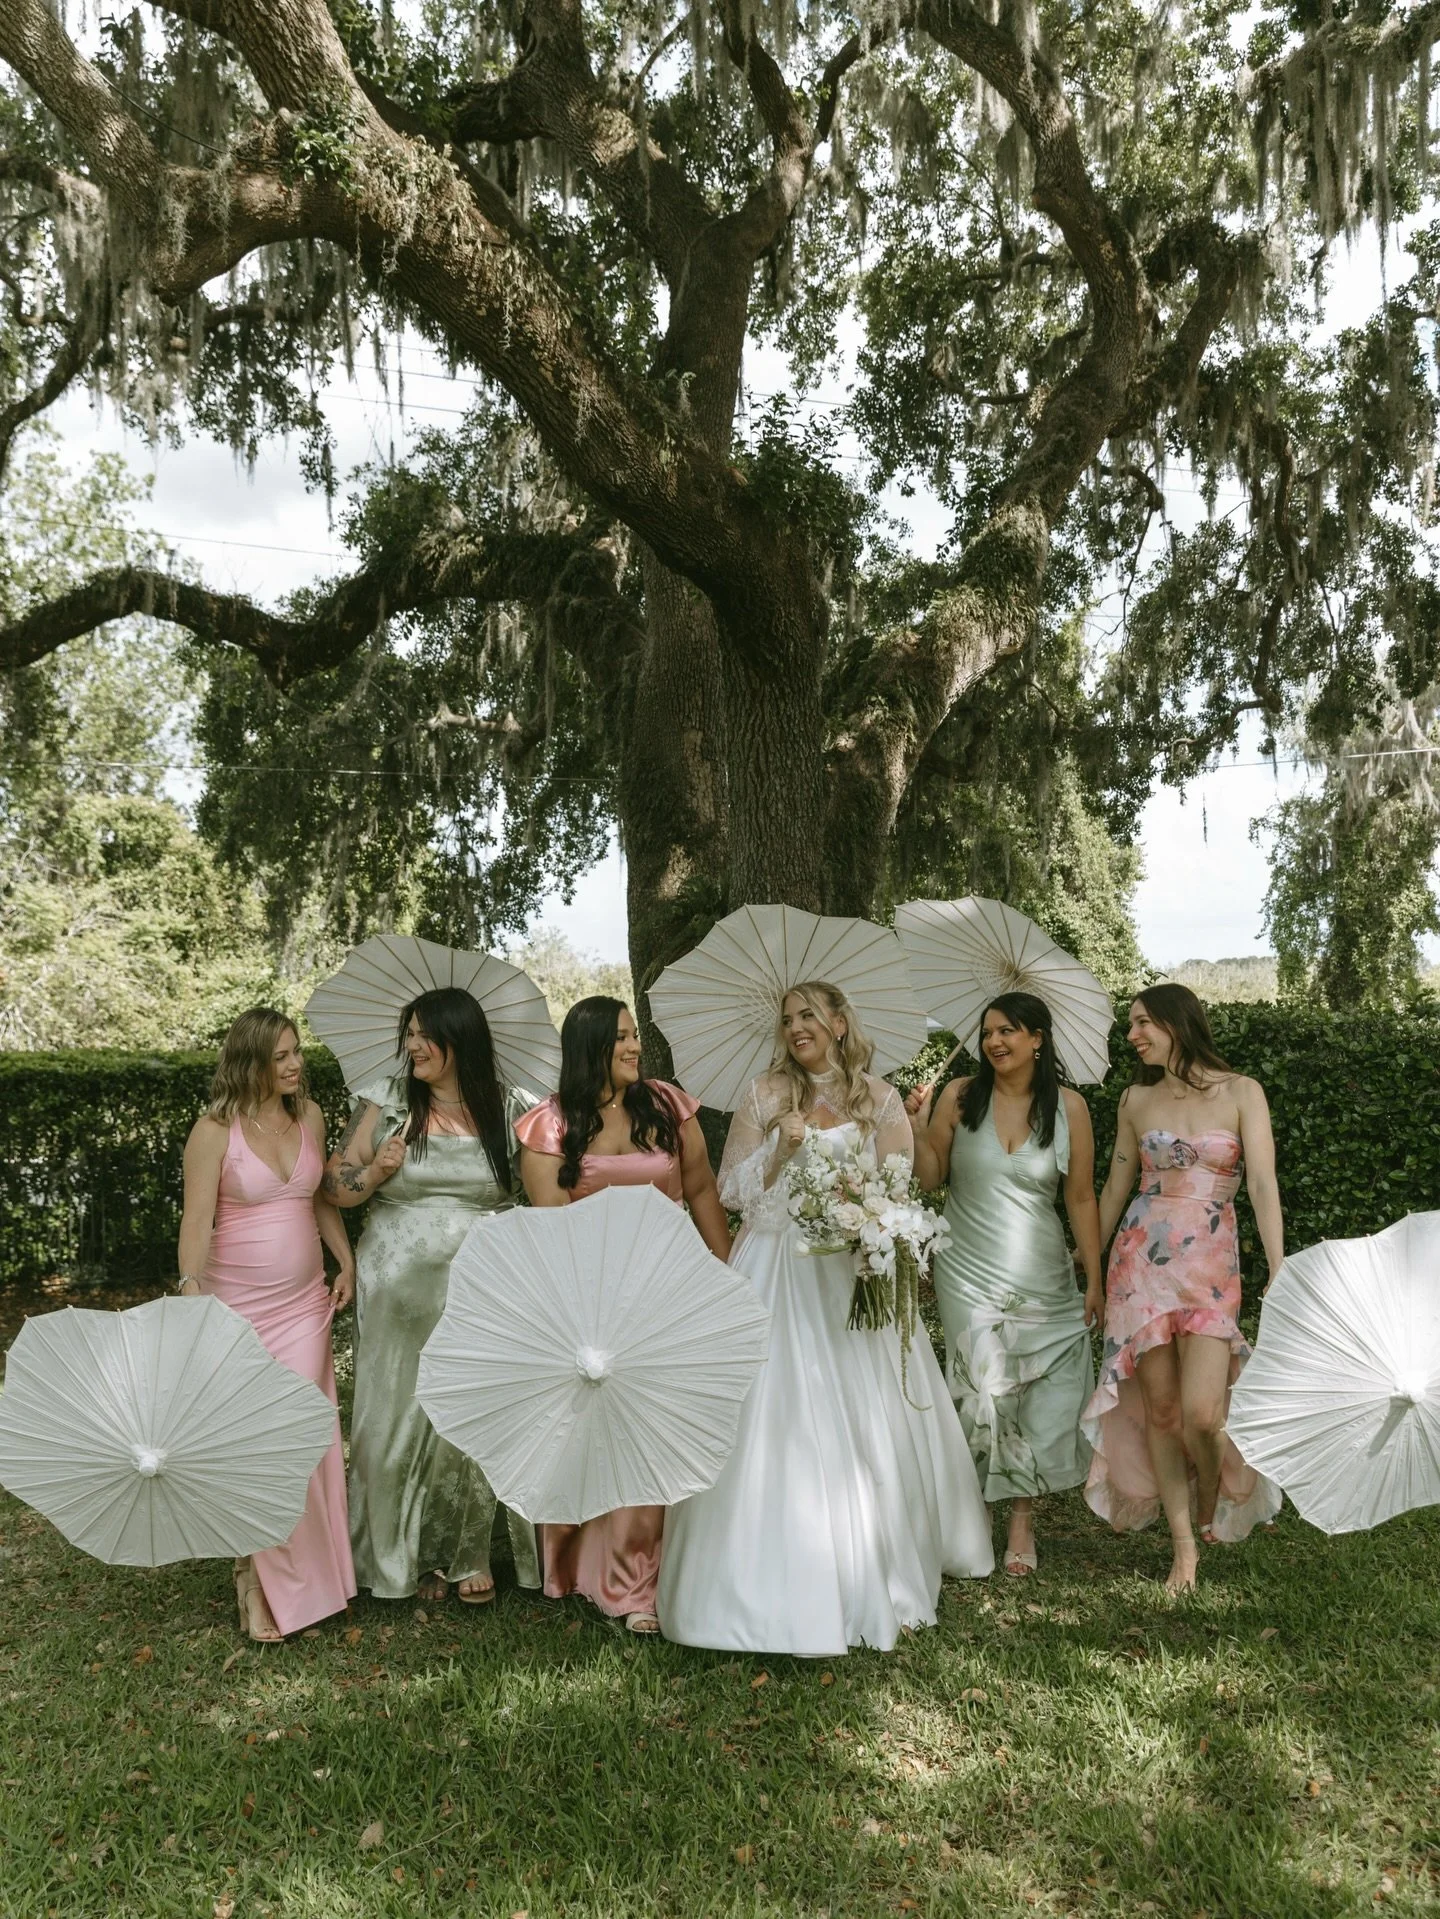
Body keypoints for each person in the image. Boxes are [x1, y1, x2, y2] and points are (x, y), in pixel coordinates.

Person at [657, 981, 994, 1656]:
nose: (796, 1027)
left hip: (850, 1272)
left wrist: (875, 1222)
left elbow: (902, 1184)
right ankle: (756, 1578)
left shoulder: (880, 1097)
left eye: (808, 1015)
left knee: (866, 1415)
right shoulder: (764, 1094)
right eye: (787, 1020)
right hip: (775, 1266)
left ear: (840, 1023)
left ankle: (877, 1550)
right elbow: (728, 1191)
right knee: (772, 1412)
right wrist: (780, 1148)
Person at [516, 996, 730, 1635]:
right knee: (596, 1436)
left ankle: (643, 1579)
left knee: (659, 1429)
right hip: (593, 1296)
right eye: (621, 1040)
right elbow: (549, 1227)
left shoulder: (667, 1106)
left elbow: (701, 1192)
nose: (635, 1048)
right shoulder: (550, 1126)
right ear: (589, 1050)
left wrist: (729, 1274)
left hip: (671, 1289)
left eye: (635, 1037)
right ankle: (588, 1566)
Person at [325, 986, 540, 1606]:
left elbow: (541, 1192)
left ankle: (463, 1553)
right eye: (409, 1033)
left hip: (485, 1291)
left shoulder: (510, 1110)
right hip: (397, 1290)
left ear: (460, 1039)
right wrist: (375, 1172)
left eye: (425, 1034)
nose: (413, 1045)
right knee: (390, 1419)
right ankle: (391, 1555)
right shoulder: (388, 1103)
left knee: (467, 1414)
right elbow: (334, 1185)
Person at [1082, 983, 1283, 1591]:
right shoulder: (1135, 1100)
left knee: (1203, 1415)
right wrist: (1091, 1268)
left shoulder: (1242, 1092)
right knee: (1163, 1412)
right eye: (1130, 1026)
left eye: (1143, 1023)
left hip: (1212, 1269)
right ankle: (1184, 1547)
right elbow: (1115, 1188)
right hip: (1140, 1268)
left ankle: (1209, 1496)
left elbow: (1263, 1186)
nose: (1133, 1035)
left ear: (1177, 1022)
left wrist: (1280, 1268)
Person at [178, 1007, 356, 1642]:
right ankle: (254, 1582)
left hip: (305, 1306)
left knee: (303, 1440)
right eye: (280, 1055)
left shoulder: (308, 1116)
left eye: (296, 1052)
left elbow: (317, 1200)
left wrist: (346, 1260)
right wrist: (191, 1294)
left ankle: (315, 1580)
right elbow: (196, 1224)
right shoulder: (213, 1132)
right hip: (238, 1310)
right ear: (251, 1060)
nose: (294, 1064)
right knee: (258, 1445)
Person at [912, 992, 1102, 1579]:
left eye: (1009, 1031)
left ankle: (1021, 1515)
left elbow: (1081, 1197)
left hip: (1042, 1271)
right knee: (982, 1390)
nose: (995, 1042)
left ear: (1039, 1038)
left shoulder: (1069, 1109)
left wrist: (1094, 1276)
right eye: (988, 1032)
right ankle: (978, 1515)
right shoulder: (959, 1096)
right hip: (967, 1266)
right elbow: (931, 1176)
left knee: (1039, 1394)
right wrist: (915, 1126)